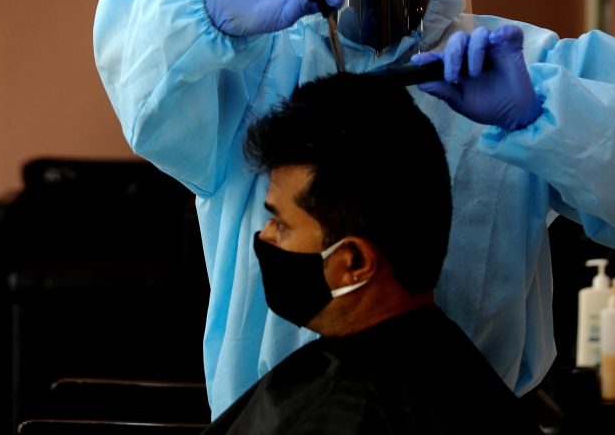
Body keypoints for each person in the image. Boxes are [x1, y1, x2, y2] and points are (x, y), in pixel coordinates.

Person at [93, 0, 615, 416]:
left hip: (465, 417)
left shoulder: (511, 66)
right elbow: (143, 87)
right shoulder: (254, 68)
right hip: (283, 417)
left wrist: (540, 111)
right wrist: (211, 16)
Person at [204, 72, 541, 434]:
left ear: (355, 263)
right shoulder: (467, 381)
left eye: (281, 224)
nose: (265, 236)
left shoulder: (344, 413)